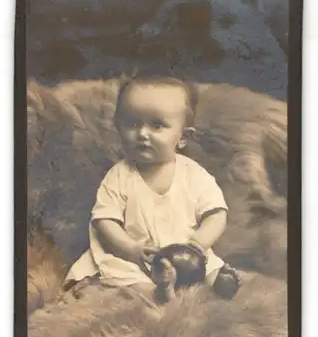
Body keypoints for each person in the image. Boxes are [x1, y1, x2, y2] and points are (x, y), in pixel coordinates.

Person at [65, 74, 240, 303]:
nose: (142, 134)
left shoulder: (194, 174)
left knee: (207, 268)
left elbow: (216, 213)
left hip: (185, 254)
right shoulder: (119, 175)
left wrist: (198, 244)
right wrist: (131, 248)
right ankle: (158, 293)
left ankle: (218, 283)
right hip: (137, 257)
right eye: (133, 124)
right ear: (119, 128)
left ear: (183, 137)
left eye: (157, 125)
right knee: (127, 278)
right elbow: (104, 221)